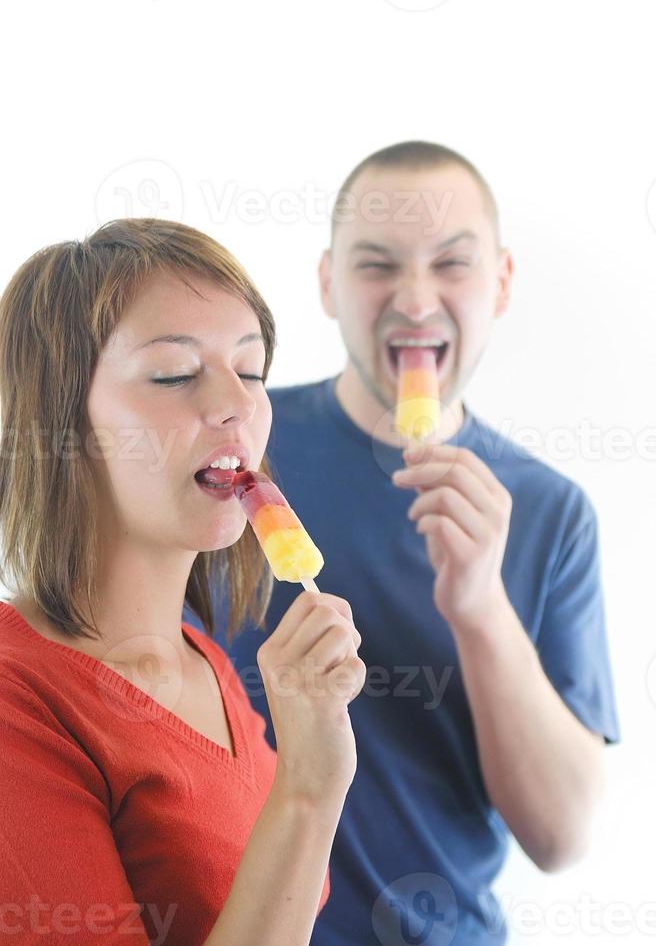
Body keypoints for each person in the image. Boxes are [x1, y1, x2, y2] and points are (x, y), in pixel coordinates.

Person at [187, 142, 621, 945]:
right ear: (327, 282)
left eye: (452, 264)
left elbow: (561, 838)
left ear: (501, 283)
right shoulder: (233, 451)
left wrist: (479, 603)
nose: (415, 300)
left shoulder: (553, 513)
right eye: (377, 264)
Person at [0, 218, 366, 945]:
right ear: (63, 419)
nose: (237, 403)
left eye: (252, 369)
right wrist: (308, 791)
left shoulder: (211, 666)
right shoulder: (19, 700)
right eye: (174, 373)